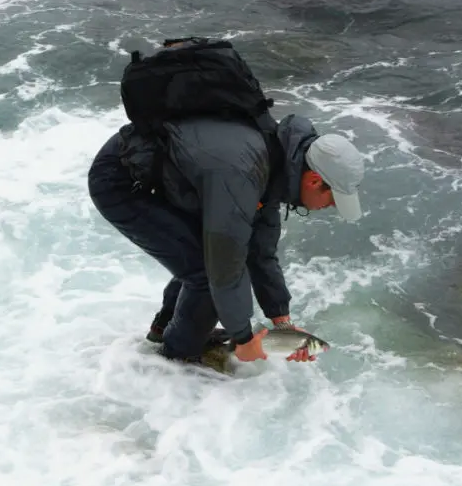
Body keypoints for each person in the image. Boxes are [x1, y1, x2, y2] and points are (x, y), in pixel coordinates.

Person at [87, 40, 366, 365]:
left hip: (173, 179)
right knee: (205, 272)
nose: (329, 208)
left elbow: (260, 252)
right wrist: (243, 338)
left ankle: (165, 333)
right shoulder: (243, 170)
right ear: (314, 180)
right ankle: (174, 365)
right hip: (121, 182)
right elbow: (224, 264)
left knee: (200, 259)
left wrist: (282, 322)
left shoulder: (275, 163)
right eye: (332, 200)